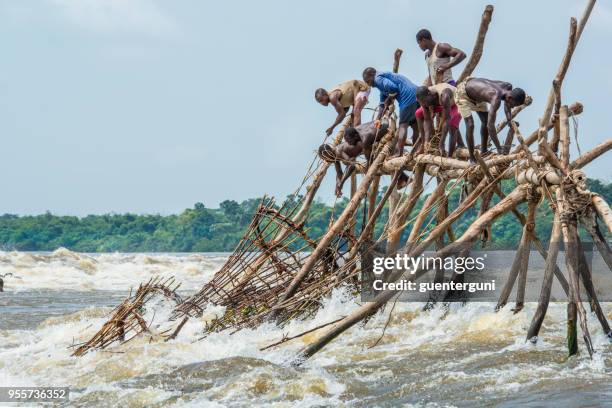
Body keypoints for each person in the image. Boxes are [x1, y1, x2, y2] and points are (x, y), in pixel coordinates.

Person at [318, 121, 409, 196]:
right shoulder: (335, 157)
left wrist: (341, 183)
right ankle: (404, 178)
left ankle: (403, 178)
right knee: (374, 163)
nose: (326, 161)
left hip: (380, 132)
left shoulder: (338, 152)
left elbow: (352, 165)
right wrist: (338, 186)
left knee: (378, 163)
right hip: (370, 136)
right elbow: (339, 173)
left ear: (328, 153)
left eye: (325, 158)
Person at [455, 77, 526, 162]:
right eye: (514, 105)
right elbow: (490, 126)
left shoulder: (508, 87)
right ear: (510, 98)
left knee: (484, 121)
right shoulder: (496, 99)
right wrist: (499, 148)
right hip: (463, 93)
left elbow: (507, 105)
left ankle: (484, 151)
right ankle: (472, 158)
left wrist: (509, 120)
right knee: (470, 125)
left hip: (478, 97)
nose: (513, 107)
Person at [362, 67, 419, 156]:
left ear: (372, 75)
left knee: (402, 127)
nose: (369, 85)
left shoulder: (378, 79)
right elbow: (382, 104)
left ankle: (398, 153)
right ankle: (416, 151)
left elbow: (393, 88)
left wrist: (389, 98)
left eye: (368, 81)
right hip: (417, 95)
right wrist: (378, 119)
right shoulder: (382, 82)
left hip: (407, 98)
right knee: (415, 126)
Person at [415, 84, 465, 157]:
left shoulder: (444, 96)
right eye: (421, 102)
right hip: (441, 105)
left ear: (429, 94)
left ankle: (449, 156)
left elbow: (446, 120)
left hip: (456, 103)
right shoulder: (424, 99)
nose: (423, 103)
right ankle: (423, 145)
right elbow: (427, 120)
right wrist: (426, 141)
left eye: (424, 101)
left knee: (452, 123)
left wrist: (442, 143)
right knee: (418, 113)